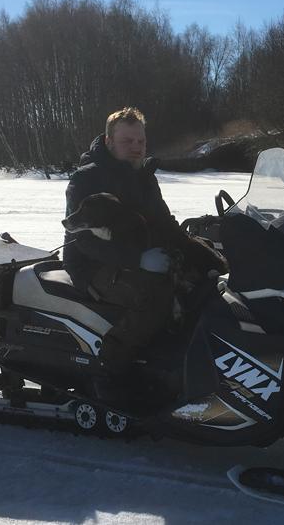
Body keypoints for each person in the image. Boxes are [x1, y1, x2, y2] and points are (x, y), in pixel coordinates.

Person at [63, 106, 179, 381]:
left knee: (198, 284)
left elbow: (163, 221)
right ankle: (111, 369)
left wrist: (197, 242)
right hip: (91, 264)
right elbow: (83, 240)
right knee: (153, 298)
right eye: (128, 141)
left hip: (136, 253)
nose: (137, 147)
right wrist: (137, 259)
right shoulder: (87, 179)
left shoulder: (143, 177)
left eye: (141, 141)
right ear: (108, 141)